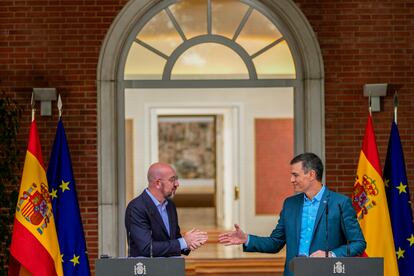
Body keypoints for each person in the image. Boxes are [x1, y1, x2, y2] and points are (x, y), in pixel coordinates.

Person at [218, 153, 366, 276]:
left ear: (311, 174)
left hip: (326, 272)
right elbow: (275, 243)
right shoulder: (290, 204)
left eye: (295, 175)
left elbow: (358, 243)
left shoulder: (340, 203)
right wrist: (247, 239)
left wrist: (330, 255)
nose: (291, 180)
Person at [125, 162, 208, 257]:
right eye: (172, 180)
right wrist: (183, 242)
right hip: (147, 269)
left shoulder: (170, 205)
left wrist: (190, 243)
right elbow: (147, 248)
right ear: (158, 183)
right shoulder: (137, 208)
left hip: (170, 268)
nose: (177, 184)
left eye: (176, 179)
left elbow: (174, 239)